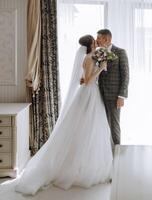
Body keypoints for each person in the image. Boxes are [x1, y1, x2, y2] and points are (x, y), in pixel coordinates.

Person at [13, 35, 113, 195]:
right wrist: (101, 68)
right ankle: (79, 167)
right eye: (94, 41)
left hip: (90, 94)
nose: (97, 42)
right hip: (88, 94)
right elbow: (88, 80)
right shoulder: (89, 58)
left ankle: (87, 163)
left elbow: (83, 78)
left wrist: (97, 68)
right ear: (91, 44)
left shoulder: (91, 56)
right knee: (86, 128)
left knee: (90, 129)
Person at [81, 29, 129, 146]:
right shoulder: (97, 53)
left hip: (114, 95)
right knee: (103, 124)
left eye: (99, 38)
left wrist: (121, 96)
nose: (96, 41)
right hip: (99, 94)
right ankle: (106, 150)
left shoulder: (120, 52)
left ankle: (117, 151)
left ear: (107, 39)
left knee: (114, 125)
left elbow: (126, 75)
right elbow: (93, 72)